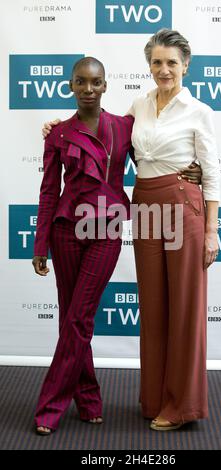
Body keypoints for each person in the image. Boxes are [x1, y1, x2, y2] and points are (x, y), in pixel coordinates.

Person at [32, 56, 135, 435]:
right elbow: (48, 191)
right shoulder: (57, 134)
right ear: (71, 86)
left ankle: (50, 406)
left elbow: (156, 156)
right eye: (81, 82)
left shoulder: (125, 127)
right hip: (65, 232)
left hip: (106, 230)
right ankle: (89, 399)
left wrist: (191, 172)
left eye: (96, 82)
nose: (88, 89)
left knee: (78, 317)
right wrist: (40, 243)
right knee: (71, 318)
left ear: (106, 85)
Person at [129, 29, 220, 431]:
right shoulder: (138, 105)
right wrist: (58, 128)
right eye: (156, 62)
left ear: (186, 65)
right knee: (153, 307)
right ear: (148, 65)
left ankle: (182, 405)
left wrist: (213, 231)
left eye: (171, 62)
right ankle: (154, 397)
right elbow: (113, 140)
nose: (163, 70)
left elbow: (212, 175)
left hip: (184, 207)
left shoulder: (199, 110)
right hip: (144, 204)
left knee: (184, 308)